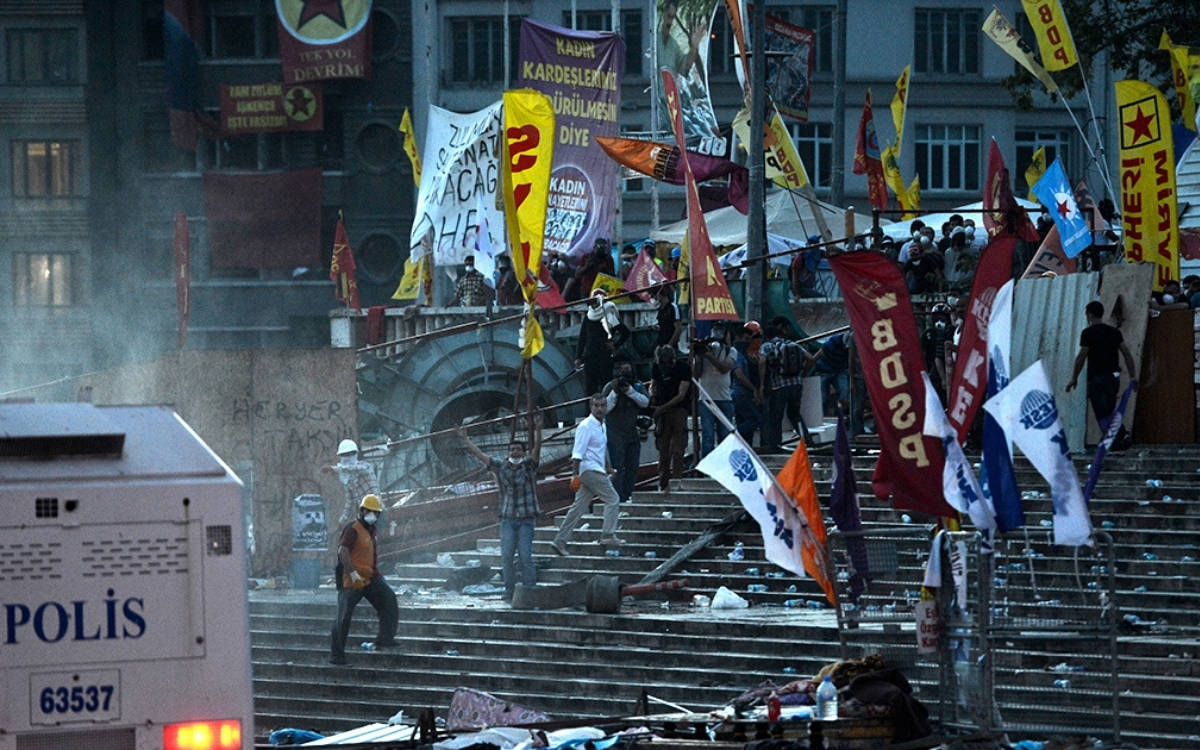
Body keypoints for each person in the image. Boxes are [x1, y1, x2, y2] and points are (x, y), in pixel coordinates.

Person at [456, 414, 543, 602]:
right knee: (506, 557)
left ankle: (530, 591)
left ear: (523, 451)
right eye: (512, 449)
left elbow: (537, 451)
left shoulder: (528, 466)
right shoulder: (501, 467)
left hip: (526, 520)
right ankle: (509, 591)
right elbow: (480, 456)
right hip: (507, 520)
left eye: (518, 449)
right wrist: (465, 440)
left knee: (526, 557)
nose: (515, 452)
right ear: (508, 452)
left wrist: (538, 429)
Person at [329, 493, 398, 665]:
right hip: (352, 581)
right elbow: (342, 552)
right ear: (362, 510)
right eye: (370, 511)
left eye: (376, 513)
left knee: (389, 600)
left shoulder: (371, 530)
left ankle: (385, 638)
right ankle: (337, 655)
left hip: (371, 578)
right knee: (343, 617)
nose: (372, 515)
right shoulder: (353, 529)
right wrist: (353, 575)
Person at [551, 394, 624, 554]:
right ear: (591, 407)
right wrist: (574, 475)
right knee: (613, 499)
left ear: (606, 407)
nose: (599, 409)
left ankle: (559, 541)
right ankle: (607, 535)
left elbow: (602, 449)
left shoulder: (602, 425)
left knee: (578, 508)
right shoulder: (585, 426)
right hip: (589, 470)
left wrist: (609, 468)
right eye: (596, 405)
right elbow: (577, 453)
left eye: (602, 405)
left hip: (595, 469)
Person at [1066, 301, 1138, 449]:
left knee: (1102, 412)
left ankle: (1120, 435)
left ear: (1090, 314)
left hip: (1097, 378)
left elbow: (1081, 357)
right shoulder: (1114, 332)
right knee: (1108, 410)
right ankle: (1113, 440)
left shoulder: (1088, 333)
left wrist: (1074, 377)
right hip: (1113, 377)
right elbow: (1127, 354)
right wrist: (1132, 376)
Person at [602, 362, 650, 504]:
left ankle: (627, 494)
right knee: (618, 467)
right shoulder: (609, 387)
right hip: (614, 433)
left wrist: (630, 391)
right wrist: (615, 392)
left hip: (631, 432)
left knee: (632, 466)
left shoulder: (637, 386)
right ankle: (618, 497)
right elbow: (605, 408)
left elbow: (645, 402)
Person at [759, 320, 810, 452]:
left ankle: (776, 446)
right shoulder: (793, 344)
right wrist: (802, 372)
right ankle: (807, 441)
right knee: (795, 414)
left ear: (766, 336)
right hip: (797, 384)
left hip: (778, 386)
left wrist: (762, 384)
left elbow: (762, 362)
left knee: (776, 417)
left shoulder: (766, 346)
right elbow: (810, 357)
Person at [651, 344, 690, 495]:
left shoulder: (683, 368)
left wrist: (662, 407)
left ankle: (677, 481)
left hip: (678, 409)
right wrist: (653, 399)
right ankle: (664, 483)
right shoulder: (657, 368)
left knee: (678, 449)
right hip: (662, 410)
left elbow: (681, 395)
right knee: (663, 449)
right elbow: (653, 385)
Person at [693, 323, 735, 457]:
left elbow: (724, 368)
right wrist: (698, 357)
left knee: (725, 436)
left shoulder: (731, 351)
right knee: (708, 436)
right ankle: (707, 469)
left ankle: (724, 467)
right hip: (706, 399)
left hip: (724, 398)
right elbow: (695, 375)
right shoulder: (706, 349)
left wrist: (708, 356)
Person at [323, 439, 378, 531]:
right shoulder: (346, 478)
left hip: (376, 511)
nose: (348, 457)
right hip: (365, 514)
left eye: (351, 453)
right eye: (345, 455)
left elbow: (354, 468)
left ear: (355, 454)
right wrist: (341, 521)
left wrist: (334, 468)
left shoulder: (365, 467)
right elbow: (350, 502)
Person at [576, 289, 622, 395]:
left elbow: (625, 332)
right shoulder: (588, 317)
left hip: (604, 357)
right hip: (590, 357)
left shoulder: (609, 315)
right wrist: (578, 357)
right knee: (590, 389)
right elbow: (582, 337)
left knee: (606, 388)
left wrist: (614, 345)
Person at [731, 321, 764, 446]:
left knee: (745, 425)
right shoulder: (737, 353)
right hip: (741, 393)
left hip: (743, 393)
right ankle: (731, 437)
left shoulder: (746, 354)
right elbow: (739, 374)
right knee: (755, 420)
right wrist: (754, 389)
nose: (747, 342)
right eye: (745, 339)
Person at [653, 283, 682, 350]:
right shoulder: (661, 309)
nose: (654, 298)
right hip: (661, 345)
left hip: (670, 347)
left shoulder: (673, 308)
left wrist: (669, 346)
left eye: (654, 295)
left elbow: (678, 329)